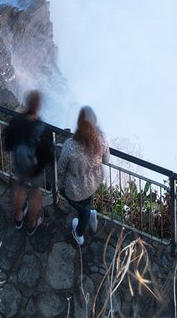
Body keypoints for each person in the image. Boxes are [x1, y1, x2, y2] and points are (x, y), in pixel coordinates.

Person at [57, 105, 110, 247]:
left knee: (82, 209)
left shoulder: (70, 145)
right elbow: (106, 160)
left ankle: (79, 234)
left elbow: (61, 168)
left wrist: (60, 185)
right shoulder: (101, 139)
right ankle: (91, 214)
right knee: (86, 203)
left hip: (76, 188)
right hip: (94, 182)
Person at [3, 89, 53, 234]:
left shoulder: (16, 121)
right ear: (38, 106)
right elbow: (47, 153)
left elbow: (7, 143)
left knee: (20, 187)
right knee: (36, 192)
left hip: (20, 163)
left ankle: (18, 216)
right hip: (35, 167)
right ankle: (32, 222)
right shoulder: (43, 128)